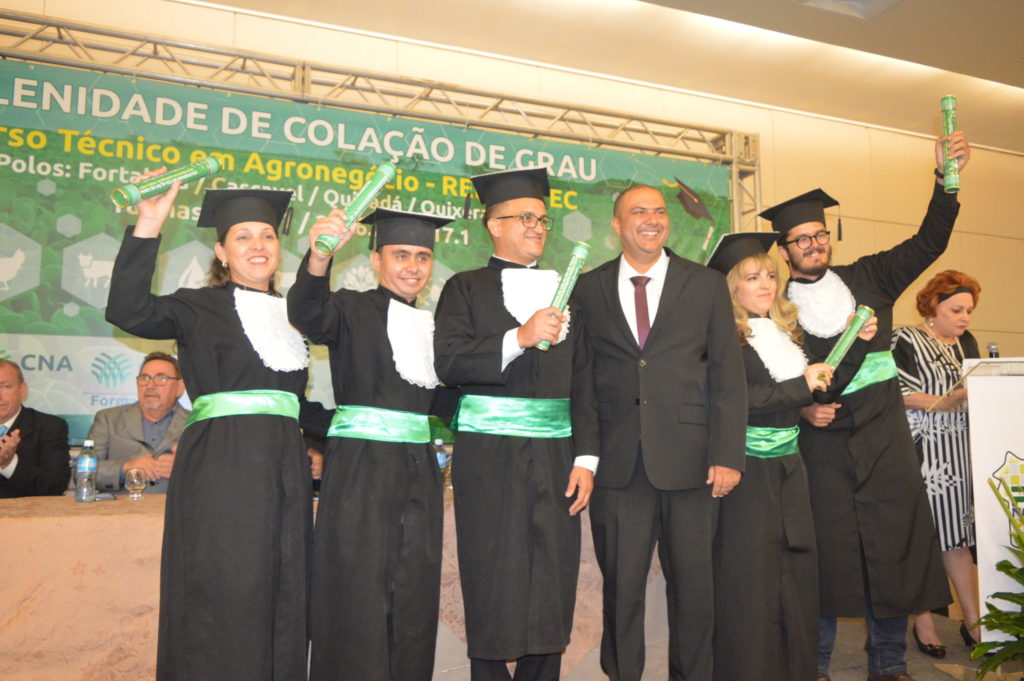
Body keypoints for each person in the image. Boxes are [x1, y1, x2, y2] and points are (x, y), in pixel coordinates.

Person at [764, 130, 971, 681]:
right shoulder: (778, 310)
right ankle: (817, 665)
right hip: (821, 445)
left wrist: (945, 179)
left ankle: (889, 662)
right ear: (783, 250)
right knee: (827, 553)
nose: (813, 244)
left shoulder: (871, 278)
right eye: (800, 239)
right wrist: (801, 410)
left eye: (819, 234)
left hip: (884, 440)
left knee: (893, 548)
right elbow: (768, 382)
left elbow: (930, 241)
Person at [105, 172, 324, 681]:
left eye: (267, 235)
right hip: (222, 469)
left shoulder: (294, 316)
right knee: (227, 590)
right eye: (242, 237)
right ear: (222, 252)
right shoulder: (197, 305)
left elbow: (293, 405)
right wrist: (148, 226)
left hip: (284, 472)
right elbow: (127, 310)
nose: (258, 245)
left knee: (283, 589)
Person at [572, 184, 747, 681]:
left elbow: (728, 375)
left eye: (658, 211)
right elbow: (582, 382)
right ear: (616, 224)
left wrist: (727, 453)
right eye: (638, 211)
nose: (651, 219)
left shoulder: (706, 284)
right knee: (621, 592)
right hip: (618, 468)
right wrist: (586, 458)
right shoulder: (588, 288)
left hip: (693, 465)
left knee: (694, 592)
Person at [433, 167, 599, 681]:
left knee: (552, 582)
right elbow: (449, 364)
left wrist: (587, 459)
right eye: (525, 217)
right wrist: (518, 338)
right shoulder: (463, 288)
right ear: (493, 225)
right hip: (489, 456)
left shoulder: (569, 294)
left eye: (542, 219)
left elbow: (586, 383)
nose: (537, 227)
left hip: (556, 457)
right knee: (492, 576)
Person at [287, 206, 451, 681]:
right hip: (361, 469)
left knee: (414, 591)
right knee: (355, 591)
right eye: (401, 255)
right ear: (376, 260)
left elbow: (449, 399)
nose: (413, 266)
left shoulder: (436, 328)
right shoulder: (351, 308)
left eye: (422, 256)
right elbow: (307, 313)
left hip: (419, 467)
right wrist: (320, 256)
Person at [705, 233, 876, 681]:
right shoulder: (723, 339)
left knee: (795, 574)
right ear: (731, 287)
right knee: (753, 582)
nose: (765, 284)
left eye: (769, 275)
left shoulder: (783, 334)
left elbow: (822, 385)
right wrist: (802, 388)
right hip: (747, 473)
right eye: (751, 278)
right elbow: (740, 401)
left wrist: (857, 342)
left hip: (790, 468)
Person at [892, 270, 982, 654]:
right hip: (921, 452)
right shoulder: (905, 339)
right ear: (933, 306)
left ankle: (975, 622)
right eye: (956, 310)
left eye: (969, 310)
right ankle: (923, 619)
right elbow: (894, 392)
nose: (965, 318)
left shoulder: (967, 344)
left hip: (960, 452)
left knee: (957, 539)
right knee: (923, 538)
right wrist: (944, 401)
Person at [87, 351, 188, 494]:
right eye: (144, 378)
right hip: (121, 507)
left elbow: (215, 475)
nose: (150, 386)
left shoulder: (196, 424)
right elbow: (84, 475)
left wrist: (184, 469)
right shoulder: (108, 420)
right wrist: (126, 467)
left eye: (161, 379)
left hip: (175, 507)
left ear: (179, 387)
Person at [0, 358, 70, 498]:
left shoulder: (49, 427)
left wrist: (9, 464)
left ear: (22, 390)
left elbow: (54, 486)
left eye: (5, 387)